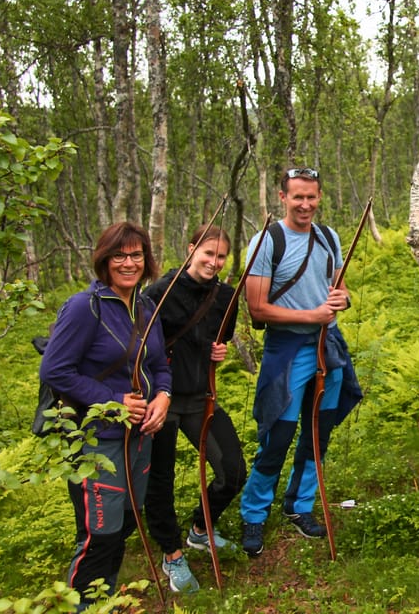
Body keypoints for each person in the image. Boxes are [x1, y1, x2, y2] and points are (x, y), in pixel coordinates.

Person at [39, 222, 172, 607]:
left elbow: (160, 363)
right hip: (97, 440)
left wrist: (162, 396)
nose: (129, 263)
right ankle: (84, 604)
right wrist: (114, 402)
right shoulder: (85, 307)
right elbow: (55, 371)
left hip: (140, 435)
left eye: (136, 255)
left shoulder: (147, 307)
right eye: (119, 255)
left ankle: (105, 597)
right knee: (100, 533)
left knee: (127, 522)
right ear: (104, 259)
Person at [239, 167, 363, 558]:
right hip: (287, 351)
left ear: (319, 196)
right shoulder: (266, 242)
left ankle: (300, 505)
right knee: (278, 433)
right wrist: (312, 316)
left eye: (311, 197)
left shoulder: (329, 238)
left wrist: (341, 301)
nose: (305, 204)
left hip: (329, 347)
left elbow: (337, 289)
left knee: (318, 432)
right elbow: (257, 308)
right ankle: (254, 514)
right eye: (297, 197)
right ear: (282, 197)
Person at [142, 226, 247, 592]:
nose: (214, 263)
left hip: (202, 397)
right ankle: (172, 555)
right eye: (208, 254)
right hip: (163, 400)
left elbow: (222, 337)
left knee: (232, 471)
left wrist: (219, 352)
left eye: (220, 257)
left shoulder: (225, 296)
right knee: (161, 483)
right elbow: (139, 347)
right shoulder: (159, 293)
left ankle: (200, 530)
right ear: (190, 250)